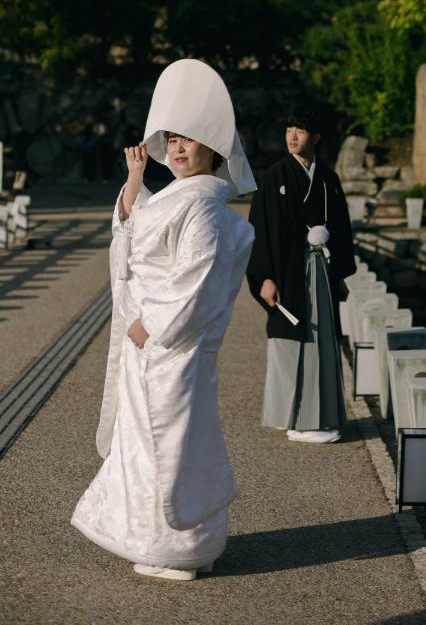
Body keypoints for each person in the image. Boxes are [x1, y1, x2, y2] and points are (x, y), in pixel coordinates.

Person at [71, 59, 256, 582]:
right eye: (170, 139)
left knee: (170, 445)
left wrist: (150, 325)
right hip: (149, 348)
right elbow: (131, 233)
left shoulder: (207, 210)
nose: (176, 148)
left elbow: (194, 281)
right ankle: (166, 543)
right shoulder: (179, 199)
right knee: (149, 444)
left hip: (171, 348)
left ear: (212, 149)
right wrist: (134, 177)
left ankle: (180, 548)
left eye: (188, 140)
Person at [246, 105, 354, 444]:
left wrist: (338, 276)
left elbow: (340, 228)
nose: (292, 136)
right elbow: (261, 231)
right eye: (289, 129)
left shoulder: (328, 179)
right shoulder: (274, 177)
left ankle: (308, 415)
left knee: (320, 339)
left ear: (316, 137)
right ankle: (301, 422)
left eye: (301, 131)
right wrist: (264, 276)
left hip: (320, 266)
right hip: (288, 269)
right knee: (290, 338)